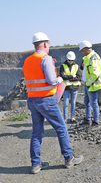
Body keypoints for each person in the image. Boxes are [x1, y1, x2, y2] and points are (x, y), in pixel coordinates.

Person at [23, 32, 83, 174]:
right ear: (44, 44)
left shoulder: (27, 61)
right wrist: (60, 80)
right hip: (46, 100)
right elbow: (51, 80)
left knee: (37, 132)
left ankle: (36, 165)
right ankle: (69, 159)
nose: (48, 46)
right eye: (48, 44)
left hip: (32, 100)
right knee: (61, 128)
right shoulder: (46, 59)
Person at [80, 40, 101, 129]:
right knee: (87, 102)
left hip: (92, 85)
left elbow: (95, 74)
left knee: (93, 103)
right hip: (88, 84)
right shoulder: (88, 58)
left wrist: (88, 83)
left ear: (87, 49)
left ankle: (96, 122)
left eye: (82, 50)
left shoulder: (94, 58)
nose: (82, 53)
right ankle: (88, 119)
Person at [59, 51, 81, 123]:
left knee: (73, 103)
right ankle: (65, 118)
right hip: (66, 88)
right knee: (65, 103)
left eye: (72, 60)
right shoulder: (63, 66)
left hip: (74, 88)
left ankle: (72, 117)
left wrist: (68, 77)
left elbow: (79, 77)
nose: (71, 61)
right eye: (69, 60)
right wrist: (72, 76)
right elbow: (62, 76)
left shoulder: (76, 66)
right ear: (67, 59)